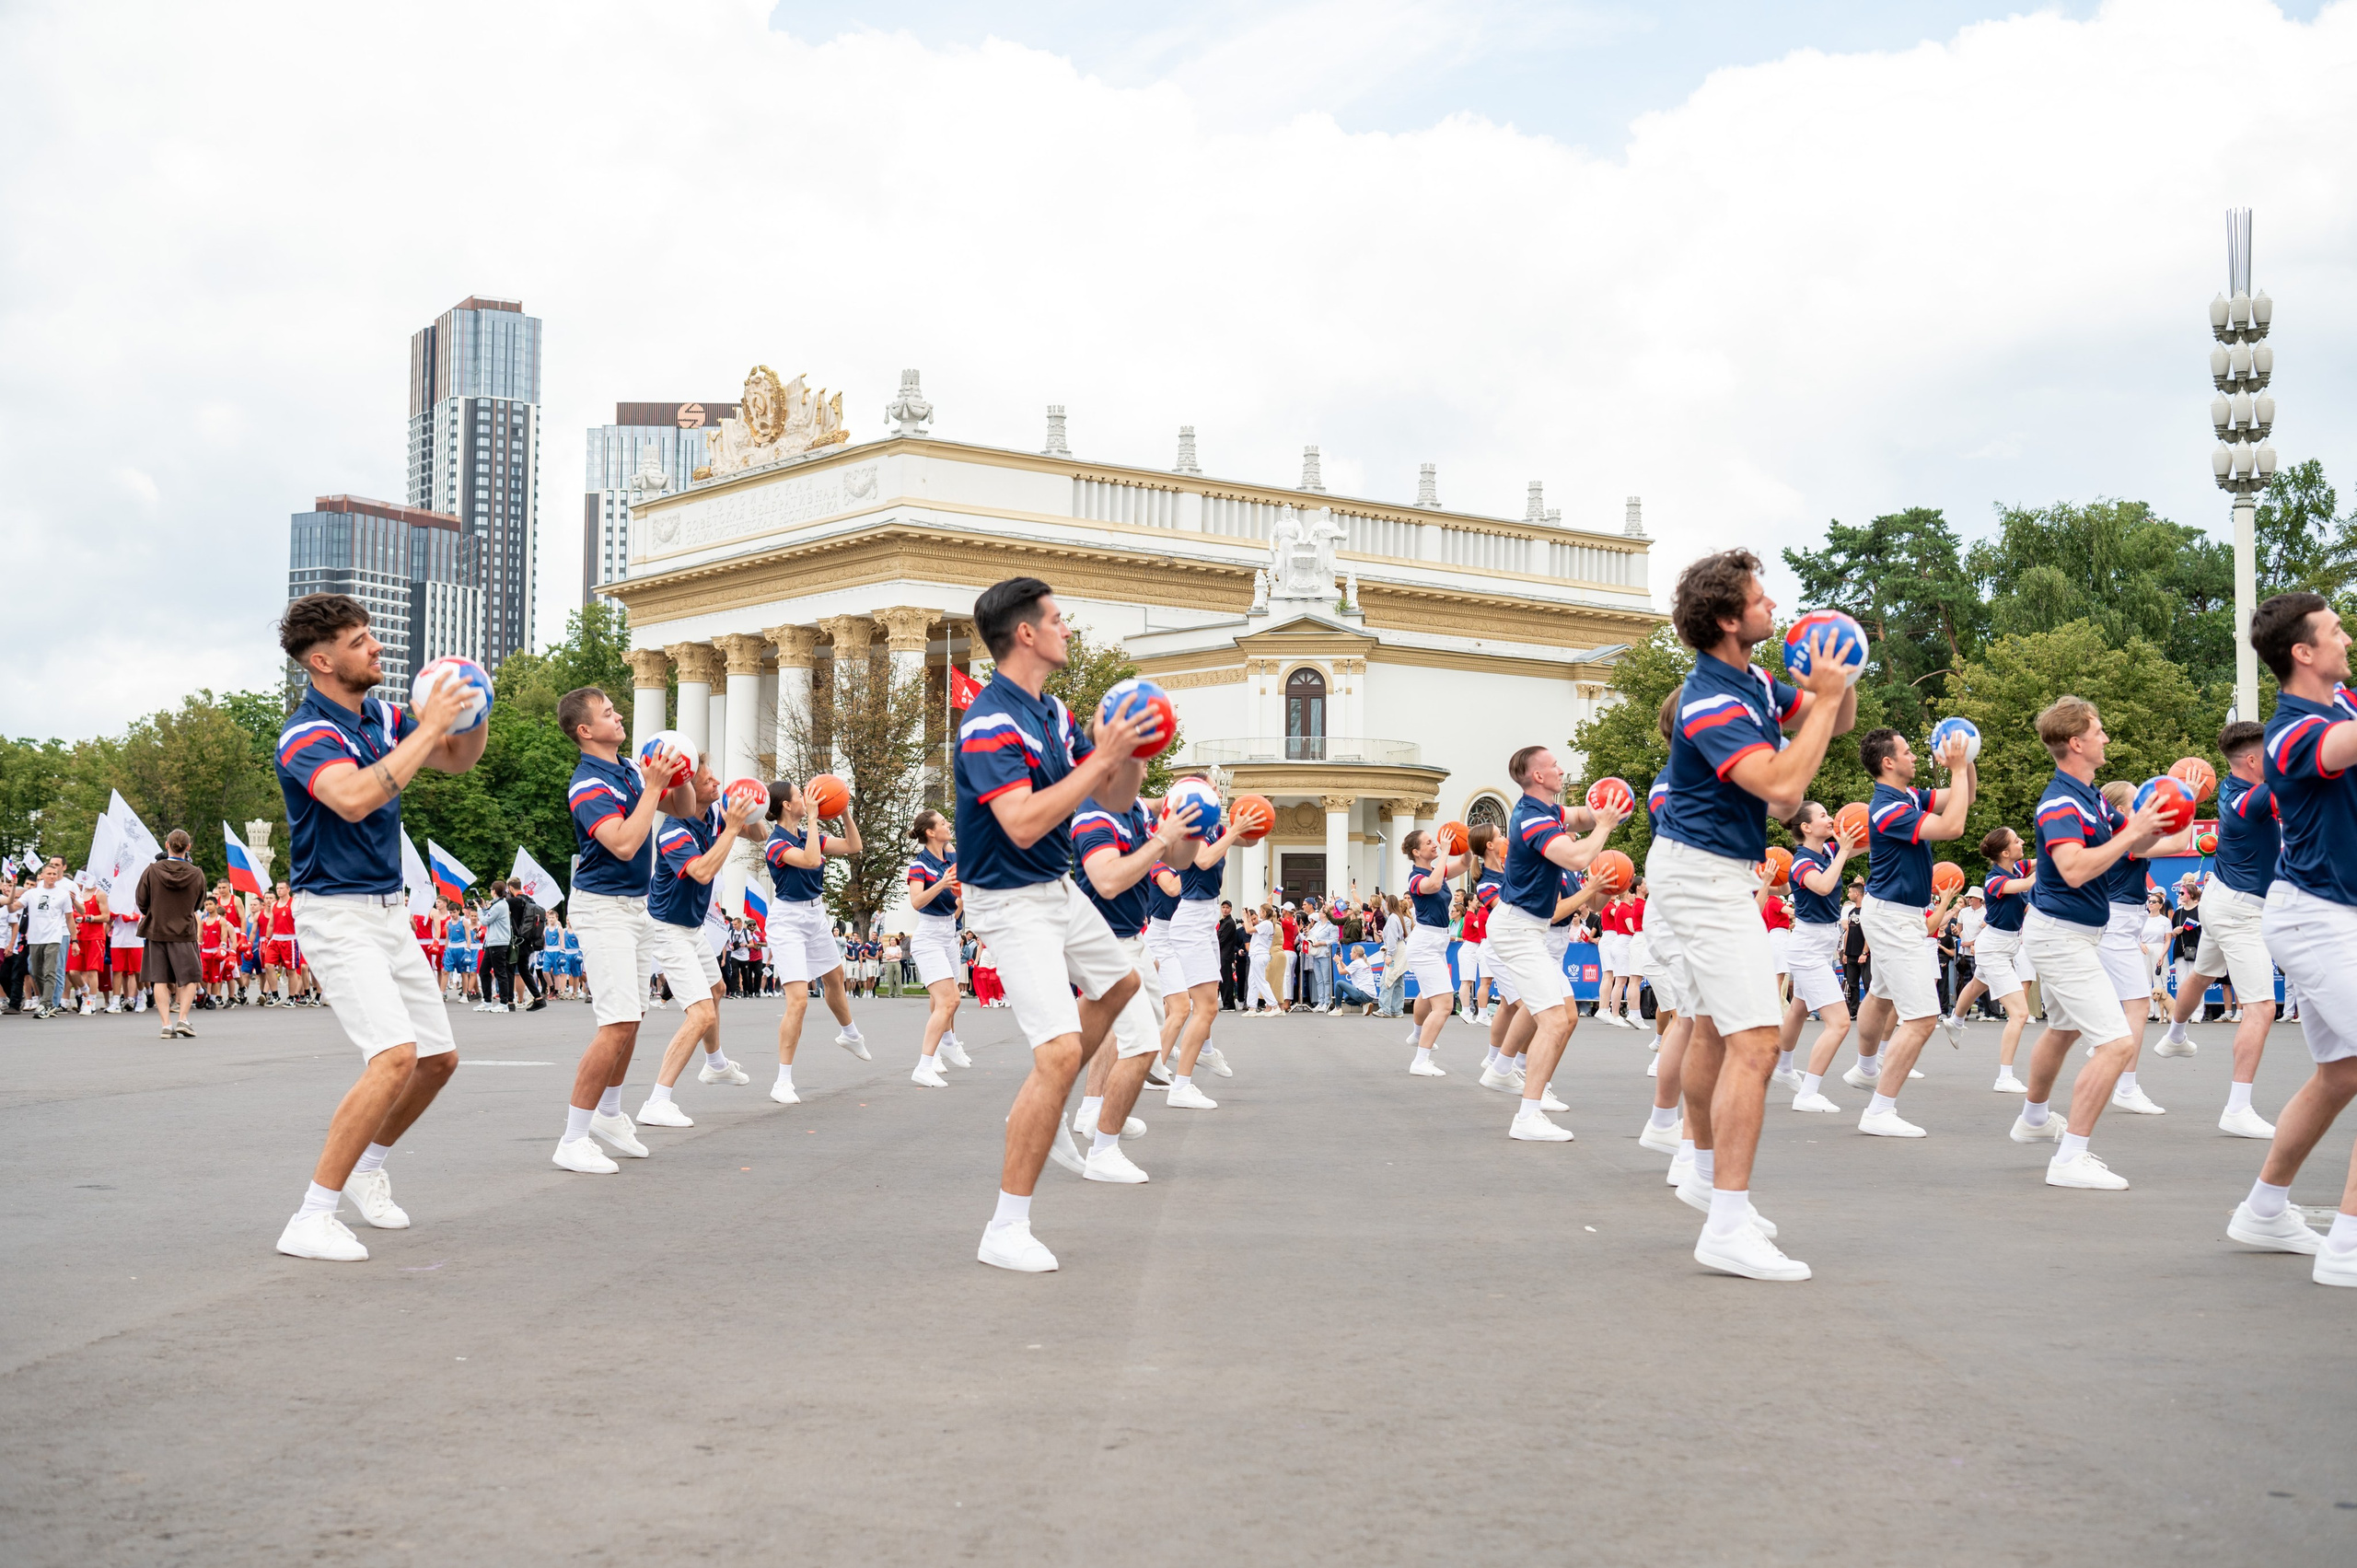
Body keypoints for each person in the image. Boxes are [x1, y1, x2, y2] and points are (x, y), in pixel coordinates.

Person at [1647, 549, 1855, 1281]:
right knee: (1759, 1044)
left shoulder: (1759, 680)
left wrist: (1836, 680)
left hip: (1718, 871)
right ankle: (1727, 1224)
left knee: (1711, 1027)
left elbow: (1839, 719)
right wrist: (1824, 700)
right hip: (1702, 877)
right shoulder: (1711, 700)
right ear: (1730, 619)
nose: (1776, 608)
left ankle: (1705, 1175)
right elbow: (1783, 788)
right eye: (1762, 600)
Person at [268, 592, 487, 1260]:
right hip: (335, 913)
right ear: (323, 660)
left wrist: (474, 708)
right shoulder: (307, 733)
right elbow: (356, 797)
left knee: (437, 1059)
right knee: (393, 1056)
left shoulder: (381, 717)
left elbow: (456, 758)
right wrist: (428, 727)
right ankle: (310, 1215)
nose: (378, 646)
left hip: (390, 911)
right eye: (362, 640)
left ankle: (367, 1169)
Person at [953, 576, 1159, 1272]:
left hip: (1052, 886)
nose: (1068, 630)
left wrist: (1129, 752)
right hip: (1008, 900)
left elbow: (1110, 793)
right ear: (1026, 635)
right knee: (1061, 1052)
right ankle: (1004, 1226)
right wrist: (1102, 756)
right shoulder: (989, 723)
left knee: (1122, 982)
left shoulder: (1052, 712)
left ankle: (1049, 1110)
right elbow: (1022, 821)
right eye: (1058, 620)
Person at [2223, 591, 2357, 1283]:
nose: (2346, 636)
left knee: (2342, 1072)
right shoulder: (2291, 731)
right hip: (2314, 914)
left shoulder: (2344, 705)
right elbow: (2342, 749)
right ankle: (2347, 1248)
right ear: (2302, 652)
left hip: (2336, 911)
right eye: (2335, 630)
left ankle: (2265, 1209)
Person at [2006, 695, 2172, 1191]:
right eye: (2098, 731)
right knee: (2118, 1043)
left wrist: (2186, 812)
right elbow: (2075, 868)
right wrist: (2134, 833)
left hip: (2073, 933)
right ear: (2076, 742)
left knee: (2062, 1030)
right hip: (2061, 937)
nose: (2105, 738)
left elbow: (2141, 844)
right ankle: (2069, 1158)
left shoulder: (2094, 798)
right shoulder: (2060, 802)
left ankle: (2034, 1119)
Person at [553, 686, 699, 1176]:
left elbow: (682, 808)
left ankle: (610, 1116)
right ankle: (572, 1138)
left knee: (632, 1018)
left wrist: (682, 774)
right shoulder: (587, 783)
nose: (619, 717)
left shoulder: (631, 769)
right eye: (608, 713)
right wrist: (655, 786)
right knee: (614, 1023)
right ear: (585, 731)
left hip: (634, 909)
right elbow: (623, 842)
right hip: (602, 910)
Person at [1483, 744, 1626, 1141]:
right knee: (1553, 1019)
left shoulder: (1549, 811)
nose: (1562, 769)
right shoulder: (1531, 819)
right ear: (1538, 777)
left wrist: (1605, 805)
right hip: (1517, 930)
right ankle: (1527, 1115)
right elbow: (1578, 858)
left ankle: (1503, 1073)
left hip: (1530, 929)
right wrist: (1607, 825)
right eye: (1554, 766)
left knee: (1564, 1016)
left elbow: (1580, 816)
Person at [1843, 726, 1976, 1137]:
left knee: (1881, 995)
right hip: (1894, 917)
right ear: (1888, 762)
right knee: (1920, 1019)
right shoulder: (1887, 809)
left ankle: (1865, 1068)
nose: (1916, 756)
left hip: (1896, 913)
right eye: (1907, 751)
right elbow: (1954, 827)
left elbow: (1964, 799)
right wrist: (1954, 766)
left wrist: (1965, 759)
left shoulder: (1909, 796)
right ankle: (1879, 1111)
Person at [2158, 721, 2281, 1138]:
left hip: (2219, 901)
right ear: (2252, 760)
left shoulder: (2228, 786)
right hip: (2240, 914)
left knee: (2202, 974)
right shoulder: (2251, 801)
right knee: (2262, 1008)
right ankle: (2237, 1108)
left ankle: (2175, 1035)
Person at [1072, 785, 1199, 1180]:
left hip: (1131, 938)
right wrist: (1163, 836)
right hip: (1102, 940)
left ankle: (1093, 1111)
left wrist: (1196, 821)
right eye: (1138, 762)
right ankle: (1102, 1151)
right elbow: (1107, 882)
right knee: (1144, 1048)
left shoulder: (1136, 810)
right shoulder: (1095, 818)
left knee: (1098, 1036)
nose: (1146, 770)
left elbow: (1177, 857)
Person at [633, 761, 763, 1129]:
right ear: (687, 788)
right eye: (708, 779)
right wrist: (734, 826)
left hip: (690, 928)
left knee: (717, 988)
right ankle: (657, 1100)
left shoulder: (714, 816)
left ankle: (715, 1065)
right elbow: (703, 871)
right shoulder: (674, 831)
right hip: (666, 929)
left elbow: (759, 835)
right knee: (702, 1013)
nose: (717, 782)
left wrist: (752, 807)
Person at [760, 779, 867, 1103]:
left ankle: (850, 1034)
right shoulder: (775, 843)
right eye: (800, 795)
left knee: (835, 978)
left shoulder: (810, 836)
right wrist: (813, 817)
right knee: (799, 1001)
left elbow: (853, 846)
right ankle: (782, 1081)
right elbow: (809, 861)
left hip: (815, 914)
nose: (808, 798)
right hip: (788, 920)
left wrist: (845, 812)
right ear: (788, 806)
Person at [1160, 784, 1246, 1109]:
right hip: (1192, 921)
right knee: (1206, 1007)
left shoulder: (1215, 828)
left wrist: (1250, 819)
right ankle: (1181, 1087)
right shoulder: (1190, 831)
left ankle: (1207, 1053)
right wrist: (1235, 829)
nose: (1216, 794)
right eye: (1210, 790)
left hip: (1204, 920)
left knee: (1207, 1004)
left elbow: (1247, 839)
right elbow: (1206, 860)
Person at [1779, 799, 1860, 1113]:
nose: (1830, 818)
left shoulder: (1827, 851)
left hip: (1821, 942)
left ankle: (1783, 1066)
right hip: (1809, 946)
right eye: (1823, 815)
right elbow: (1824, 887)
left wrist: (1884, 830)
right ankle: (1808, 1093)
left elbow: (1854, 849)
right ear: (1806, 827)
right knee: (1839, 1023)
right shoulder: (1802, 863)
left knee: (1799, 1008)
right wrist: (1842, 850)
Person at [1948, 829, 2038, 1091]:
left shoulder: (2017, 866)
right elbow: (2027, 884)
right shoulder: (1995, 881)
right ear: (2006, 853)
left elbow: (2042, 860)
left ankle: (1955, 1020)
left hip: (2003, 946)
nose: (2022, 842)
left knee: (1977, 984)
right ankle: (2004, 1077)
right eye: (2017, 840)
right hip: (1995, 948)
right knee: (2020, 1014)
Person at [905, 807, 972, 1086]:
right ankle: (925, 1063)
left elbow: (962, 876)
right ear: (930, 832)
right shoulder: (919, 866)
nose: (948, 825)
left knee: (947, 1000)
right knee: (950, 1000)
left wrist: (959, 906)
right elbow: (917, 902)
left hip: (948, 933)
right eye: (942, 823)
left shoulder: (951, 857)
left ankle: (947, 1042)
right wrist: (943, 885)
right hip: (928, 935)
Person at [1400, 828, 1471, 1074]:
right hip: (1425, 943)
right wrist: (1444, 853)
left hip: (1436, 942)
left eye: (1434, 841)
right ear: (1416, 852)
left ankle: (1417, 1034)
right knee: (1443, 1005)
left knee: (1426, 994)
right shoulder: (1416, 877)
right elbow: (1432, 885)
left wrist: (1467, 844)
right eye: (1429, 842)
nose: (1435, 844)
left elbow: (1464, 864)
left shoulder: (1435, 869)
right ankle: (1420, 1060)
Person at [134, 830, 206, 1037]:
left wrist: (156, 912)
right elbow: (198, 903)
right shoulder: (196, 873)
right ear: (188, 847)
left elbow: (141, 901)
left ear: (166, 845)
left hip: (157, 930)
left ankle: (166, 1024)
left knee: (160, 979)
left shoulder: (152, 870)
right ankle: (183, 1018)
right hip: (184, 931)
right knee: (190, 977)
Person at [18, 858, 75, 1018]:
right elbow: (15, 906)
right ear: (42, 875)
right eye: (48, 873)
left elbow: (70, 918)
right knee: (34, 970)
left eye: (54, 873)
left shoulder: (64, 893)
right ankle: (47, 1001)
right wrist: (8, 899)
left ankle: (47, 1004)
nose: (51, 876)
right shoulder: (32, 893)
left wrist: (74, 940)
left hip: (56, 935)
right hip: (36, 937)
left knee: (51, 970)